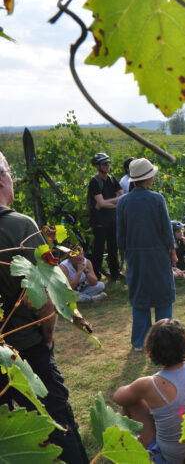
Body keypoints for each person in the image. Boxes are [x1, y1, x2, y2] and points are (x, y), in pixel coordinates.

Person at [0, 152, 89, 464]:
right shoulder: (20, 225)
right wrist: (48, 336)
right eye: (11, 174)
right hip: (26, 349)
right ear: (1, 180)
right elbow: (46, 293)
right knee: (57, 425)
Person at [113, 319, 185, 464]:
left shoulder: (148, 384)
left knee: (133, 402)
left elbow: (118, 397)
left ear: (151, 349)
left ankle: (132, 449)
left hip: (170, 459)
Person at [116, 158, 177, 352]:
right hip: (158, 253)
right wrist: (172, 252)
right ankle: (165, 341)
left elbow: (120, 234)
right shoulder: (157, 199)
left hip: (134, 255)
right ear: (148, 178)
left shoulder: (123, 201)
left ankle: (140, 342)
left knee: (139, 297)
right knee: (163, 297)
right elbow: (166, 230)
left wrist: (124, 256)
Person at [87, 152, 123, 281]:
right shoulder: (94, 182)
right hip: (99, 220)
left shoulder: (112, 179)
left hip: (111, 218)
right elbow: (101, 203)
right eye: (104, 163)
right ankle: (96, 276)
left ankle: (115, 273)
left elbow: (121, 196)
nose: (107, 165)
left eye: (108, 163)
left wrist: (109, 203)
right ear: (97, 166)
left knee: (114, 246)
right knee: (99, 248)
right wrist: (115, 202)